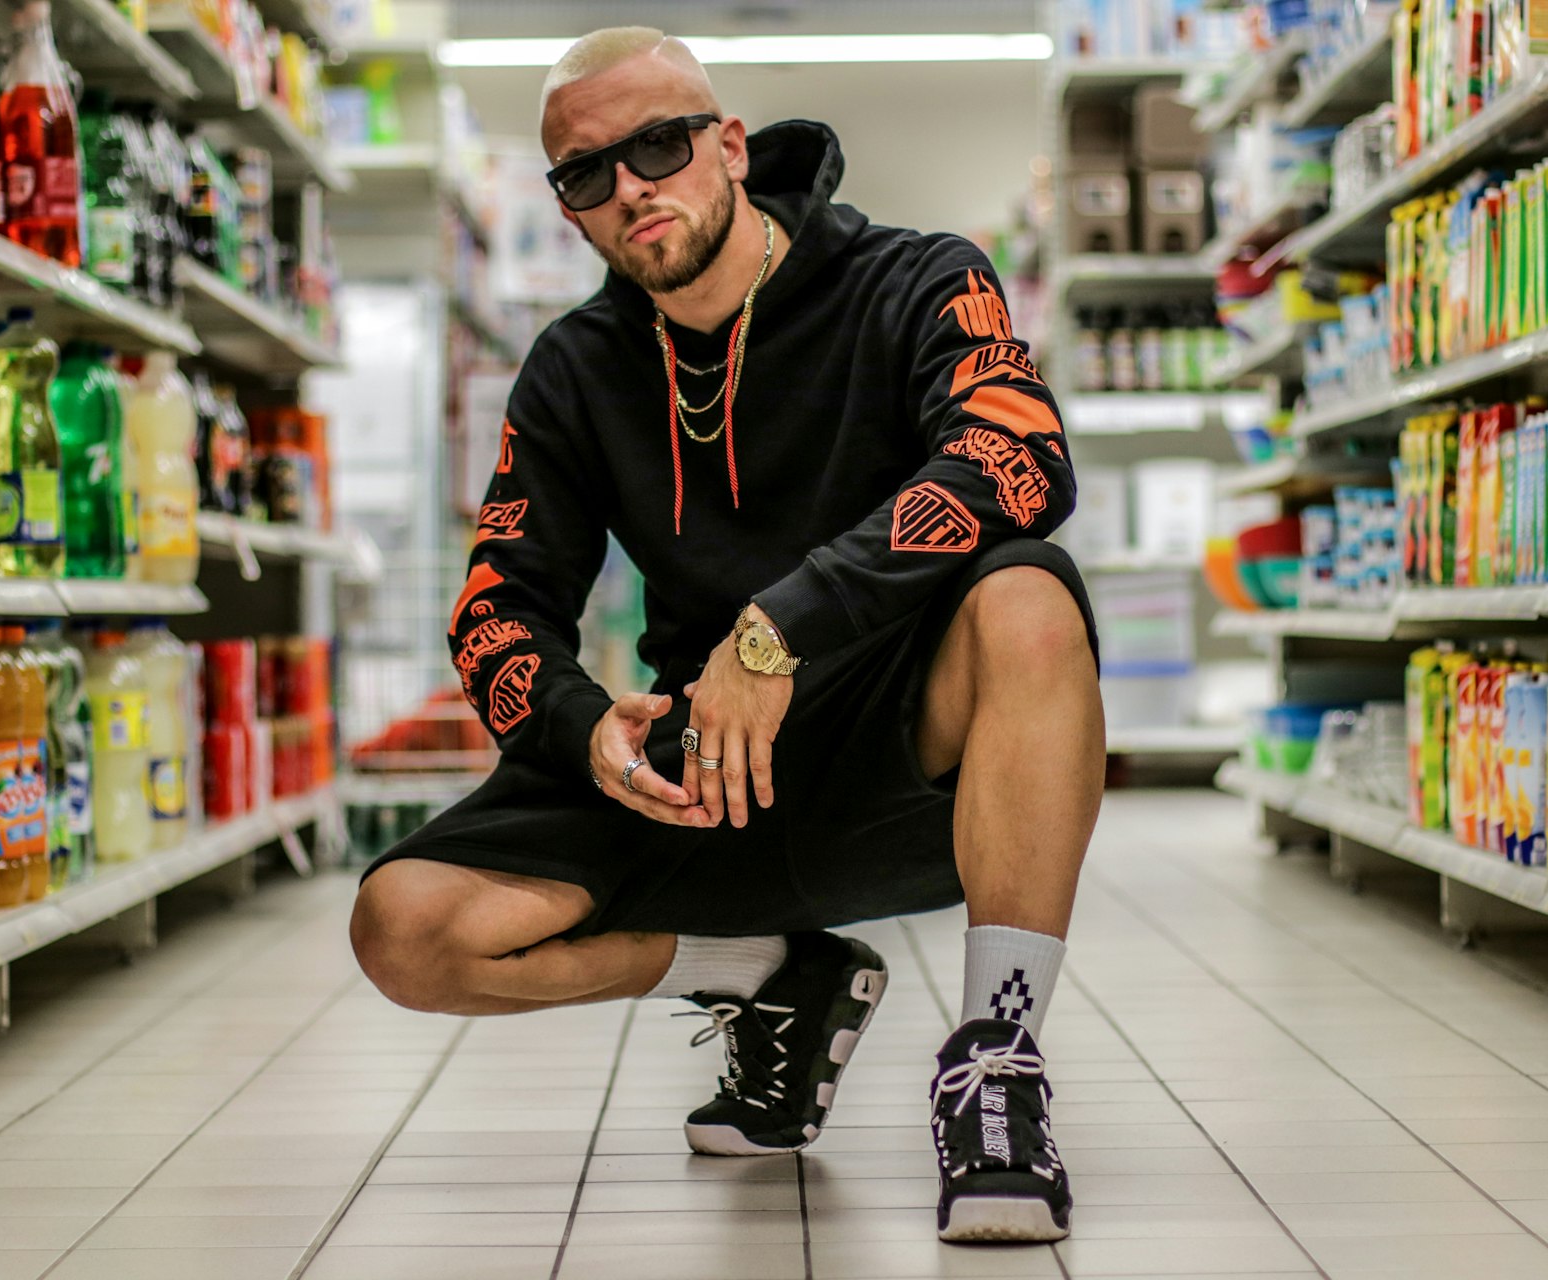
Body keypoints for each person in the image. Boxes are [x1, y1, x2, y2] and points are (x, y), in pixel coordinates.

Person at [351, 27, 1106, 1244]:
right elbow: (496, 608)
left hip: (907, 753)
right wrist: (584, 726)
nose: (630, 187)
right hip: (707, 772)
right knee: (406, 926)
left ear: (732, 146)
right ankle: (771, 973)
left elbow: (1019, 455)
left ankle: (997, 1062)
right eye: (586, 172)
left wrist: (779, 629)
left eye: (659, 144)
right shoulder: (575, 367)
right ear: (567, 205)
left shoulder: (919, 278)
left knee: (1028, 594)